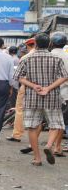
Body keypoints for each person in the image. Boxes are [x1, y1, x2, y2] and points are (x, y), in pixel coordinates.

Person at [14, 33, 68, 166]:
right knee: (56, 125)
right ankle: (49, 145)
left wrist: (33, 85)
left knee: (32, 127)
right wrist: (48, 88)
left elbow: (19, 77)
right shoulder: (56, 59)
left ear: (36, 44)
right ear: (49, 43)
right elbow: (64, 77)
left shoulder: (27, 58)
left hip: (32, 97)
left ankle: (37, 158)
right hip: (52, 97)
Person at [7, 38, 36, 142]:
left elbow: (17, 76)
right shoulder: (50, 56)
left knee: (20, 111)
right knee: (39, 113)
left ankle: (17, 135)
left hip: (26, 86)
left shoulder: (25, 57)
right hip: (43, 88)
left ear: (28, 46)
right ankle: (35, 139)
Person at [49, 32, 68, 156]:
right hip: (64, 94)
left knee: (49, 120)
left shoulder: (47, 55)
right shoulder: (66, 57)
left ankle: (44, 145)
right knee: (61, 121)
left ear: (51, 43)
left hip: (46, 93)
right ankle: (57, 146)